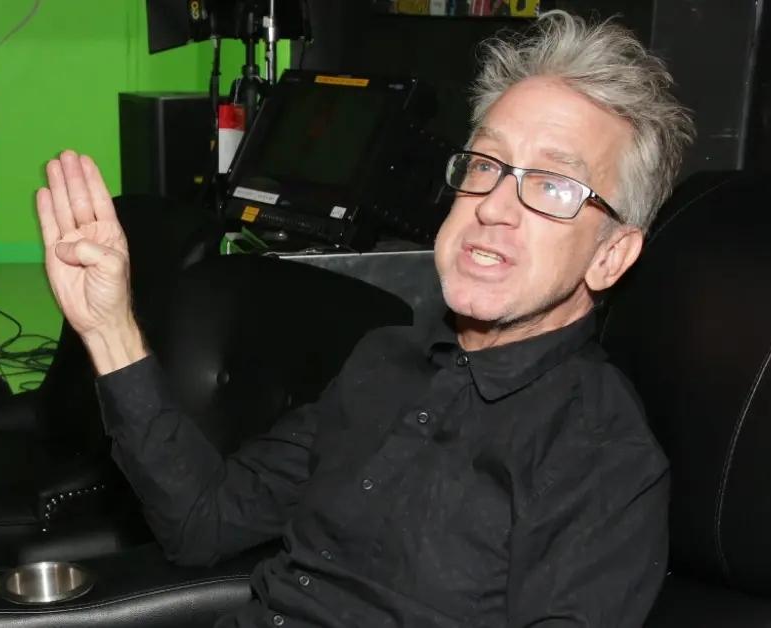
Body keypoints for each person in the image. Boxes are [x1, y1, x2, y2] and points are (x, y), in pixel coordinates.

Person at [35, 10, 693, 627]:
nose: (494, 206)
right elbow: (200, 523)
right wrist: (108, 327)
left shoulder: (603, 459)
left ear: (610, 256)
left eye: (553, 186)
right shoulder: (385, 361)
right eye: (486, 164)